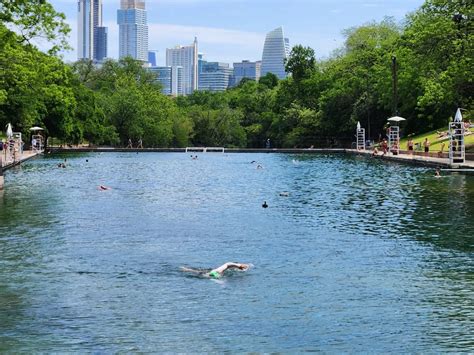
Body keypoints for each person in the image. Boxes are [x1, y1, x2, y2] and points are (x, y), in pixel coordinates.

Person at [181, 262, 250, 279]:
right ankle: (187, 269)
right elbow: (230, 265)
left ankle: (186, 269)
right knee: (218, 279)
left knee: (199, 272)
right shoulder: (230, 264)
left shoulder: (229, 266)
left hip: (213, 271)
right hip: (215, 273)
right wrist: (241, 266)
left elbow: (233, 267)